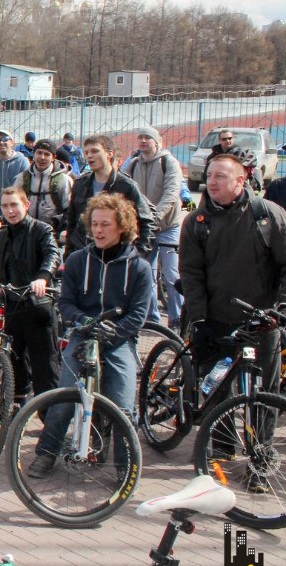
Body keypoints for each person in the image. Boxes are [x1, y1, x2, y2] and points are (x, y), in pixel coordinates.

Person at [30, 193, 153, 478]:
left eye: (105, 224)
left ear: (122, 227)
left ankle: (125, 467)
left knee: (123, 405)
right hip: (83, 336)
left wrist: (115, 332)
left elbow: (138, 314)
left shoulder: (140, 267)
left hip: (118, 339)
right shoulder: (76, 260)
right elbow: (65, 303)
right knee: (64, 397)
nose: (98, 230)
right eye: (94, 224)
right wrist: (82, 321)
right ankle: (47, 453)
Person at [179, 153, 286, 420]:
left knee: (265, 395)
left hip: (263, 321)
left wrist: (280, 308)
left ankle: (261, 445)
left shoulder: (268, 215)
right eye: (209, 175)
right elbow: (191, 274)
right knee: (217, 393)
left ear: (240, 180)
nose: (212, 182)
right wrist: (199, 320)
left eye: (220, 176)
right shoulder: (196, 222)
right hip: (216, 321)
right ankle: (220, 443)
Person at [0, 187, 60, 402]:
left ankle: (49, 413)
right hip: (13, 304)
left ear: (26, 205)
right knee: (15, 360)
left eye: (14, 205)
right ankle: (17, 405)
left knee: (44, 365)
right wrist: (0, 286)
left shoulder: (41, 229)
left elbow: (52, 254)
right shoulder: (3, 235)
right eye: (5, 206)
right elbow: (3, 267)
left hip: (37, 303)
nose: (10, 210)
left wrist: (43, 278)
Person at [123, 126, 184, 328]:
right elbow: (122, 188)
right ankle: (151, 318)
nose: (143, 141)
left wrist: (155, 216)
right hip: (144, 229)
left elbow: (171, 192)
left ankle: (176, 317)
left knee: (171, 274)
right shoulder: (133, 164)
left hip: (168, 226)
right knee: (145, 272)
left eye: (147, 138)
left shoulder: (169, 163)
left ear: (157, 142)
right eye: (140, 137)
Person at [61, 134, 155, 253]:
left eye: (95, 151)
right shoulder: (80, 184)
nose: (89, 156)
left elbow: (148, 223)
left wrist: (138, 254)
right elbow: (72, 222)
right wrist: (69, 253)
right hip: (83, 253)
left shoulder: (126, 186)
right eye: (86, 152)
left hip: (115, 254)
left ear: (109, 153)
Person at [17, 139, 70, 229]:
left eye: (47, 154)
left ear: (53, 157)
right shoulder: (22, 178)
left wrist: (55, 222)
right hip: (26, 230)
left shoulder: (63, 180)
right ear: (33, 154)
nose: (42, 157)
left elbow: (69, 210)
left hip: (54, 230)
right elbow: (13, 203)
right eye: (39, 153)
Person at [0, 129, 30, 217]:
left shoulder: (22, 161)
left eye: (5, 139)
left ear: (12, 142)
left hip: (14, 209)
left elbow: (25, 188)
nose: (1, 142)